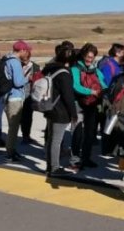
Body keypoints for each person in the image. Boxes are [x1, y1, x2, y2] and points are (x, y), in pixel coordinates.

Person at [43, 44, 78, 176]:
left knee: (51, 139)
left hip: (50, 107)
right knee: (56, 141)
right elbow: (68, 96)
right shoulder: (64, 74)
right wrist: (73, 113)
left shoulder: (51, 69)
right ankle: (55, 168)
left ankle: (50, 165)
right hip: (60, 111)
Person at [70, 43, 105, 169]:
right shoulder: (75, 69)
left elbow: (103, 84)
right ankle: (74, 160)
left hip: (92, 104)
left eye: (92, 57)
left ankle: (86, 158)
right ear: (83, 55)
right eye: (88, 57)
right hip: (78, 104)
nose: (90, 59)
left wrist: (105, 92)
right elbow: (75, 86)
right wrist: (92, 92)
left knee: (90, 133)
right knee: (77, 132)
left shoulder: (96, 70)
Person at [2, 40, 31, 162]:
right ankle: (10, 153)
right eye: (27, 51)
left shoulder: (6, 60)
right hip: (15, 97)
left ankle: (12, 150)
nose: (27, 53)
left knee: (12, 126)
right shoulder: (15, 62)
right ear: (22, 50)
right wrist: (28, 78)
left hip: (7, 96)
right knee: (13, 127)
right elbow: (18, 82)